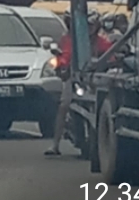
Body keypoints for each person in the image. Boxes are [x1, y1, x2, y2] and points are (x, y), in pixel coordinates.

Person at [45, 9, 112, 156]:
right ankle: (55, 144)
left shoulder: (100, 41)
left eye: (91, 26)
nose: (88, 29)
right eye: (85, 26)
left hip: (95, 79)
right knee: (64, 105)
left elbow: (110, 52)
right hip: (74, 78)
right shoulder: (69, 39)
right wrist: (61, 65)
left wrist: (117, 56)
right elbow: (64, 57)